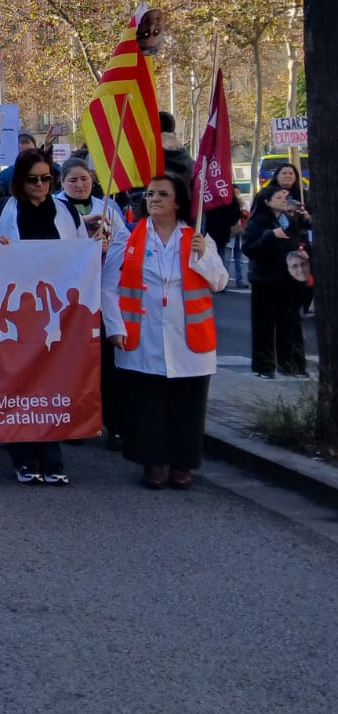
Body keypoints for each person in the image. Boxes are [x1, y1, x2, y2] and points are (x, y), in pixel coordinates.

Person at [0, 149, 84, 485]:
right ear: (21, 181)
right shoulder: (0, 211)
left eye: (46, 179)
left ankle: (52, 457)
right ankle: (23, 457)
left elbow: (82, 257)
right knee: (18, 383)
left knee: (50, 384)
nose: (40, 185)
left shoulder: (67, 213)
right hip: (14, 313)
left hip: (55, 314)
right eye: (33, 179)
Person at [114, 172, 229, 490]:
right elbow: (111, 284)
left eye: (162, 194)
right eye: (150, 195)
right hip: (143, 334)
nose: (153, 200)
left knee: (187, 405)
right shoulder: (130, 237)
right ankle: (153, 463)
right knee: (147, 403)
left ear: (178, 202)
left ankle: (182, 464)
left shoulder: (197, 238)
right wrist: (114, 326)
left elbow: (219, 283)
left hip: (188, 336)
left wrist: (204, 255)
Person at [55, 156, 131, 445]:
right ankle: (76, 422)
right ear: (62, 182)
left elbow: (123, 244)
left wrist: (105, 251)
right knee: (73, 364)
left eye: (84, 179)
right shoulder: (56, 209)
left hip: (100, 295)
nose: (79, 185)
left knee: (106, 365)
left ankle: (116, 424)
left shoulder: (108, 208)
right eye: (72, 180)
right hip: (68, 300)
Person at [242, 186, 311, 379]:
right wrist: (270, 236)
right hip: (265, 280)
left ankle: (289, 365)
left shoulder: (291, 219)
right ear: (267, 201)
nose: (283, 200)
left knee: (289, 324)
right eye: (279, 197)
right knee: (264, 325)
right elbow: (248, 248)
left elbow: (301, 240)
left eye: (285, 197)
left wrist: (304, 252)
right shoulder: (257, 222)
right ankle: (264, 367)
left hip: (289, 279)